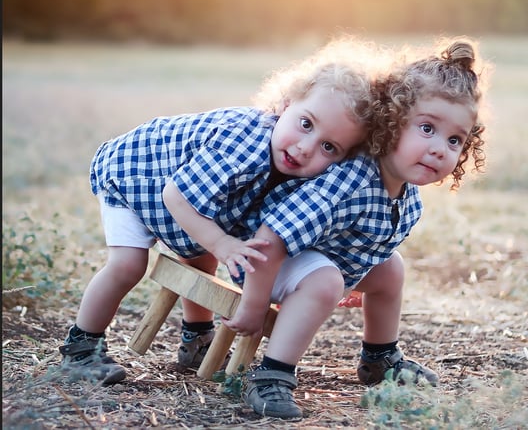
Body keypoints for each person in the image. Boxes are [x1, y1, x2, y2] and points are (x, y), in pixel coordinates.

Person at [58, 38, 377, 386]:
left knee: (202, 253)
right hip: (136, 179)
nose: (305, 148)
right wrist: (222, 243)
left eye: (328, 147)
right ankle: (80, 348)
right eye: (305, 124)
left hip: (181, 199)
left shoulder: (296, 171)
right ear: (286, 104)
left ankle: (196, 339)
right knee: (128, 264)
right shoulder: (244, 141)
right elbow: (176, 196)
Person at [226, 37, 491, 420]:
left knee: (390, 269)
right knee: (325, 281)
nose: (439, 149)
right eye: (427, 128)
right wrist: (253, 307)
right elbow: (271, 238)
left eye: (454, 140)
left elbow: (363, 250)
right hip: (255, 263)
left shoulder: (406, 195)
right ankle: (272, 373)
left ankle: (380, 357)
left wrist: (352, 276)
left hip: (307, 260)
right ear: (390, 122)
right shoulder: (348, 182)